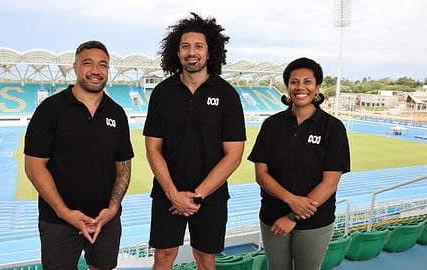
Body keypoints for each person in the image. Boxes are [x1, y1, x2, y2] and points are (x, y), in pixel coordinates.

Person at [143, 12, 246, 270]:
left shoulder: (227, 95)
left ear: (209, 52)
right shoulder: (162, 93)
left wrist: (196, 196)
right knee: (163, 257)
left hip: (211, 195)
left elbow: (233, 155)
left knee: (206, 258)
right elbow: (153, 148)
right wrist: (173, 194)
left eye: (198, 46)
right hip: (168, 192)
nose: (192, 52)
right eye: (185, 46)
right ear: (177, 53)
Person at [24, 40, 134, 270]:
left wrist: (112, 209)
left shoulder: (117, 112)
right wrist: (65, 213)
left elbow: (123, 166)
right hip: (58, 222)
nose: (96, 70)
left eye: (102, 65)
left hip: (105, 220)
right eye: (88, 63)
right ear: (75, 67)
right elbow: (34, 167)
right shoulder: (50, 110)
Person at [247, 57, 350, 270]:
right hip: (272, 218)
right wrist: (291, 200)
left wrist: (293, 216)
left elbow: (329, 183)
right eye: (294, 82)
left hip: (314, 221)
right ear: (287, 87)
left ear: (317, 87)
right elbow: (261, 174)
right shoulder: (271, 125)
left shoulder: (333, 128)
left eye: (307, 81)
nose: (300, 87)